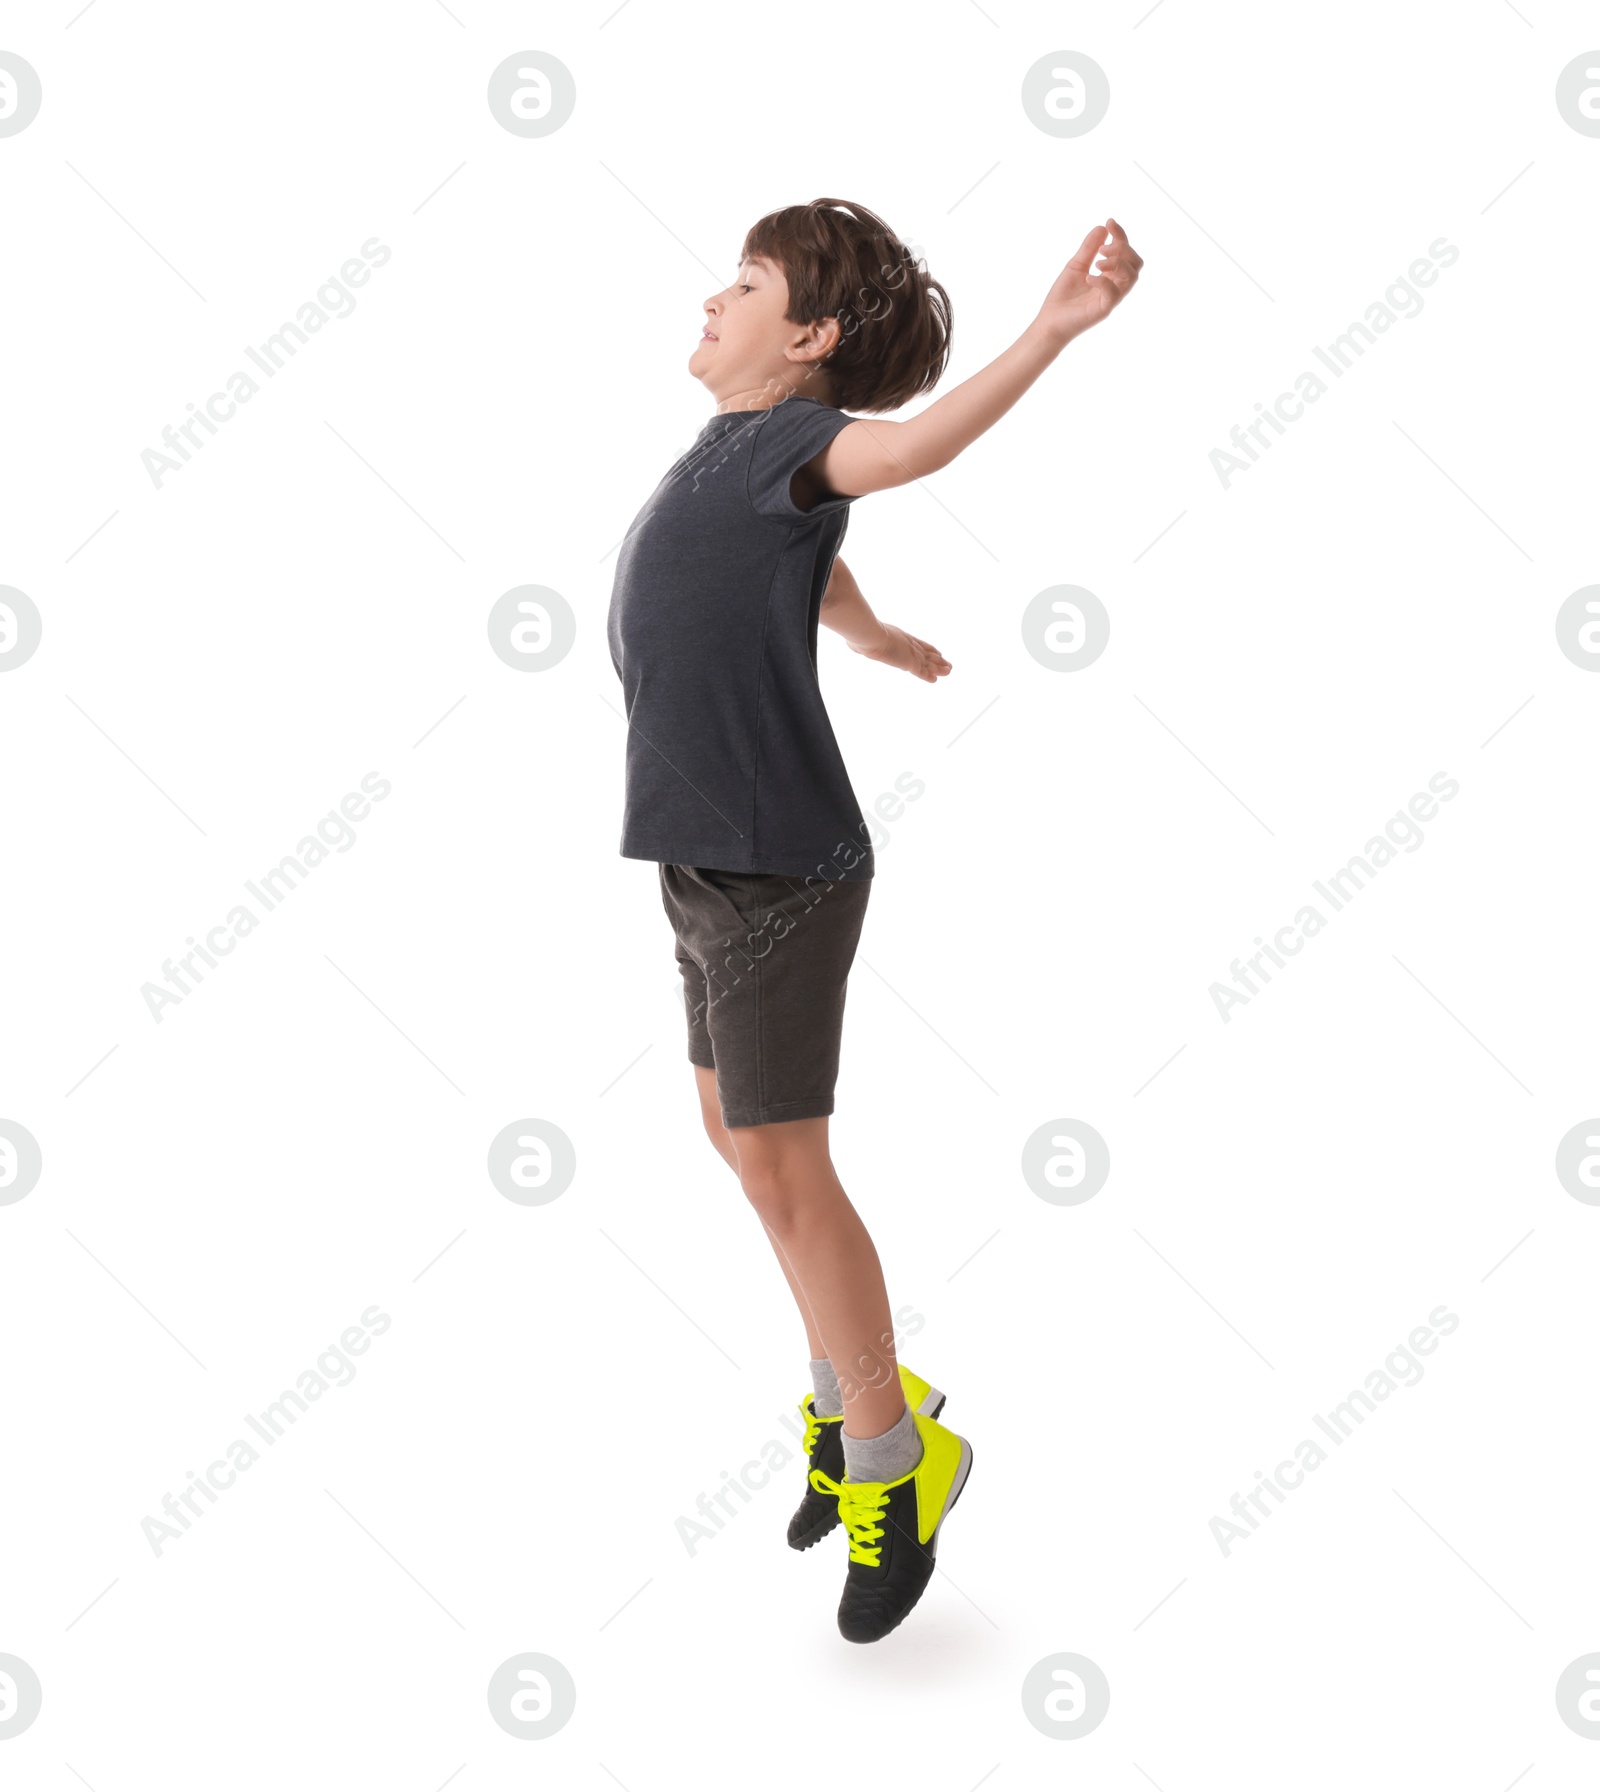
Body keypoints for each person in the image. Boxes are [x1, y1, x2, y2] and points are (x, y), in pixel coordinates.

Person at [606, 197, 1141, 1643]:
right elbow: (807, 559)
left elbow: (902, 452)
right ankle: (855, 1408)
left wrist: (1051, 331)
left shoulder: (792, 438)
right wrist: (875, 634)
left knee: (785, 1167)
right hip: (703, 857)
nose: (713, 301)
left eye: (746, 285)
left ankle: (900, 1460)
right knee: (737, 1146)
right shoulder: (736, 456)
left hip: (778, 864)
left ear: (810, 340)